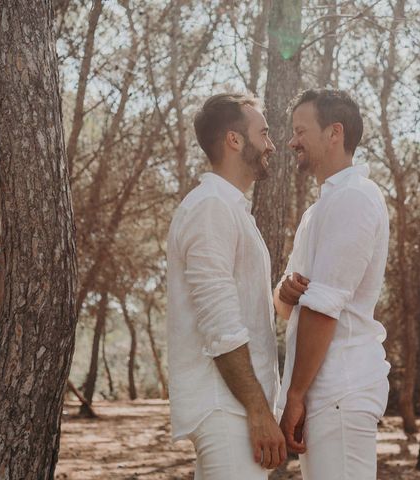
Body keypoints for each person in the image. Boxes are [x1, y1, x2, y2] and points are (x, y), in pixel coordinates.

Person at [166, 93, 285, 479]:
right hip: (227, 408)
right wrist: (257, 410)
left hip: (234, 407)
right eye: (263, 134)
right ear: (234, 140)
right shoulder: (210, 207)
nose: (270, 145)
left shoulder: (229, 208)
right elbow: (219, 323)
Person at [275, 89, 391, 479]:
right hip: (324, 393)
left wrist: (294, 395)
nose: (292, 141)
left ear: (334, 133)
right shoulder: (319, 209)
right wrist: (285, 291)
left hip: (341, 388)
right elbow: (287, 305)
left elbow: (324, 309)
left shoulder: (355, 199)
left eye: (300, 130)